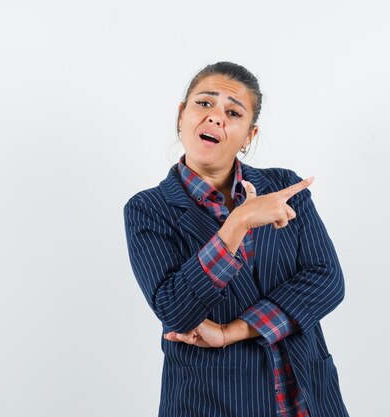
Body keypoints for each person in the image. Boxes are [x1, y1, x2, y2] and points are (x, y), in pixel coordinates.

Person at [124, 61, 349, 417]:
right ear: (181, 116)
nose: (215, 117)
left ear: (248, 136)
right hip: (212, 402)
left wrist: (233, 331)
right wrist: (237, 222)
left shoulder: (283, 187)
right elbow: (175, 310)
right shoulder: (148, 209)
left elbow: (327, 281)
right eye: (204, 103)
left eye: (233, 111)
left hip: (308, 395)